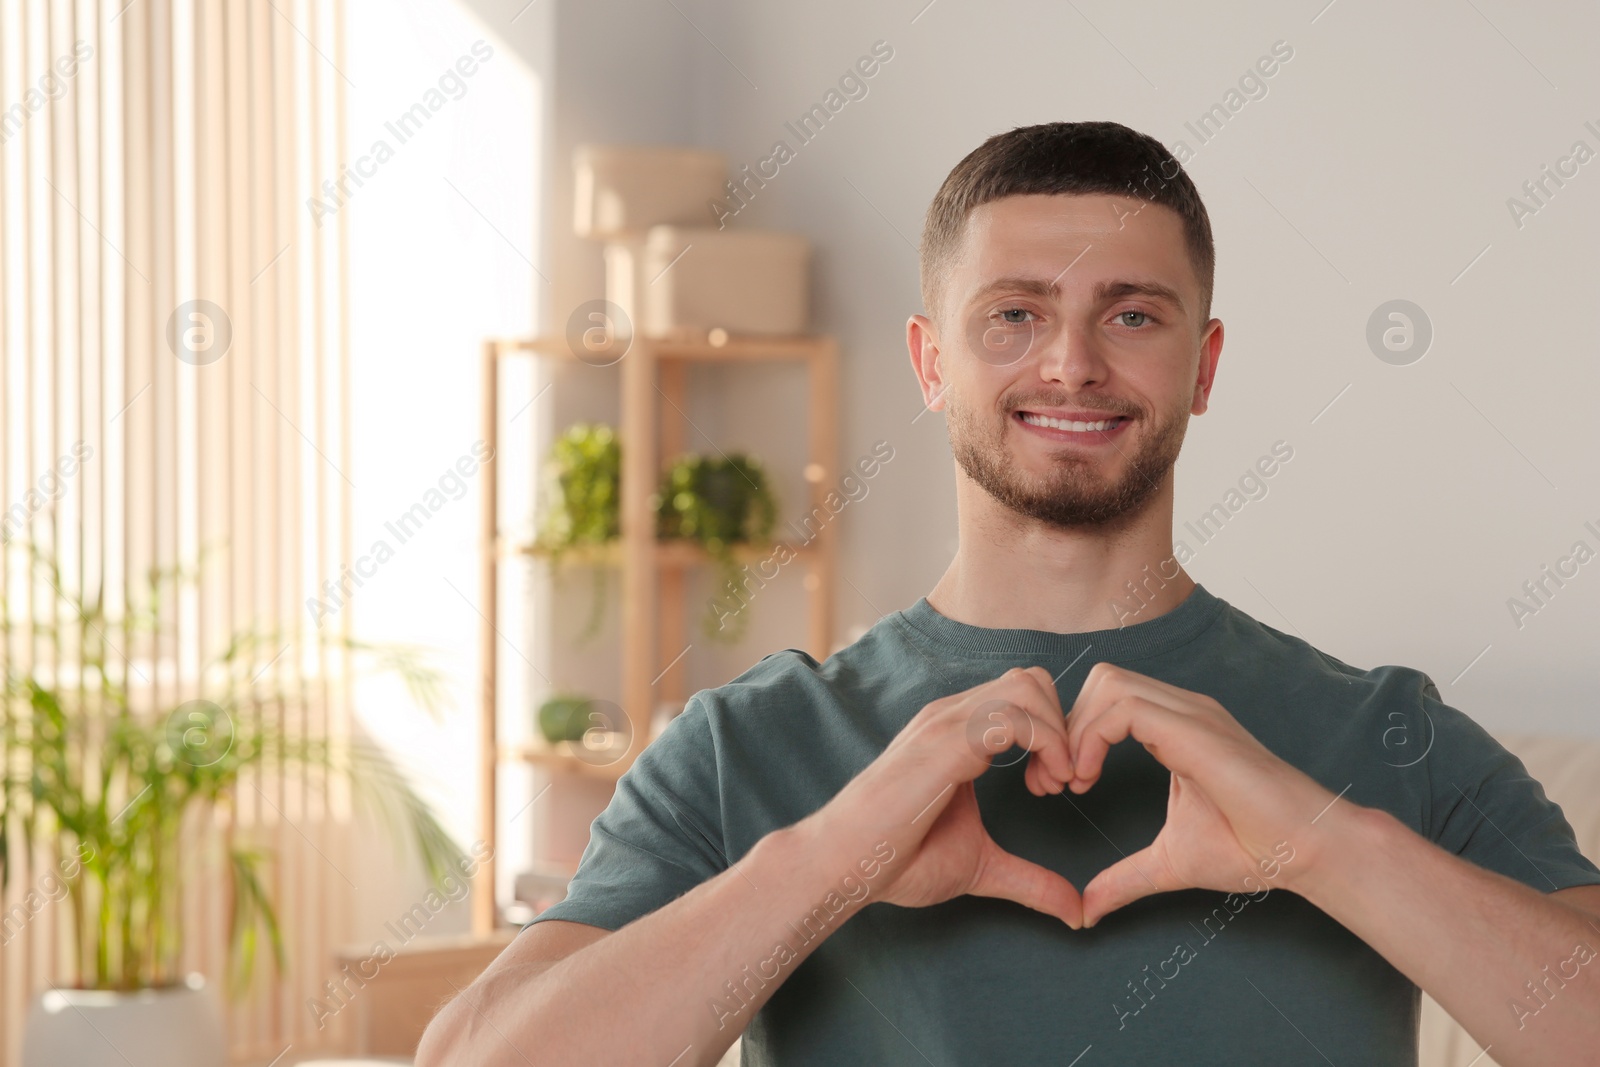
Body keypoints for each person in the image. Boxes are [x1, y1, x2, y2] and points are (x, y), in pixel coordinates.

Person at [416, 121, 1600, 1066]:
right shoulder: (744, 747)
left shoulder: (1386, 732)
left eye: (1131, 314)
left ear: (1204, 365)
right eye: (1016, 314)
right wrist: (835, 854)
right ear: (933, 362)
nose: (1071, 361)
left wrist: (1321, 840)